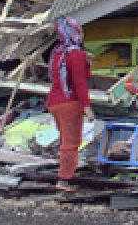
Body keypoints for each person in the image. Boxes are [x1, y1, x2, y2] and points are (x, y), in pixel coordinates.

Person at [46, 16, 94, 190]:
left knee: (65, 141)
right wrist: (87, 106)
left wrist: (85, 61)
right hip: (70, 103)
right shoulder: (76, 54)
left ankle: (64, 175)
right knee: (71, 143)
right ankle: (64, 180)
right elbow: (81, 82)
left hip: (54, 102)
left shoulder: (58, 52)